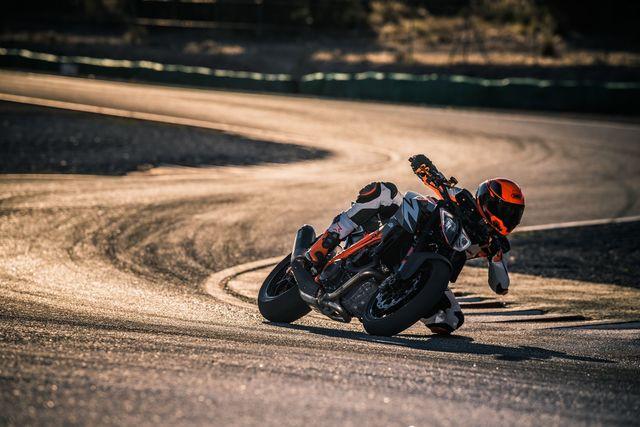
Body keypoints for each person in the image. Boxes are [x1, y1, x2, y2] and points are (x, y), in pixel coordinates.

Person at [305, 154, 525, 335]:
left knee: (450, 319)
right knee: (383, 191)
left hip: (430, 263)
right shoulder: (464, 200)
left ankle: (399, 299)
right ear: (487, 199)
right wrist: (426, 168)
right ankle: (325, 242)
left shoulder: (495, 244)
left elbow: (500, 286)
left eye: (512, 213)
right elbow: (440, 185)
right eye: (503, 209)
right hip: (410, 229)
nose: (506, 216)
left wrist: (496, 260)